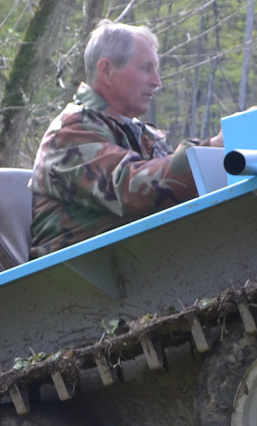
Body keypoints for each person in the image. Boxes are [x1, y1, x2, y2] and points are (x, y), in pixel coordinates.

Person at [29, 20, 219, 258]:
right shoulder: (69, 133)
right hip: (78, 278)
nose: (156, 81)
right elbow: (130, 187)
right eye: (146, 68)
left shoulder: (142, 133)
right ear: (106, 70)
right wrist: (211, 149)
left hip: (134, 265)